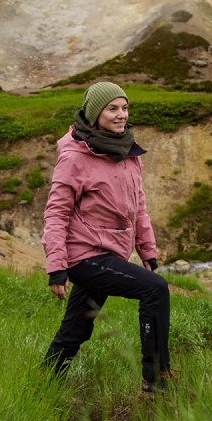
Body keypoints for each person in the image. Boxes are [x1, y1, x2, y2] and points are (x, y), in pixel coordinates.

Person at [42, 82, 174, 395]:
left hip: (111, 254)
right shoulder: (74, 158)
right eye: (112, 109)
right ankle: (156, 382)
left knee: (76, 326)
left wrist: (148, 252)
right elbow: (56, 215)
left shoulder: (128, 153)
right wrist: (56, 267)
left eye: (124, 108)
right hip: (84, 256)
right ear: (94, 113)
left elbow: (138, 208)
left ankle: (43, 383)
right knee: (155, 290)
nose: (121, 115)